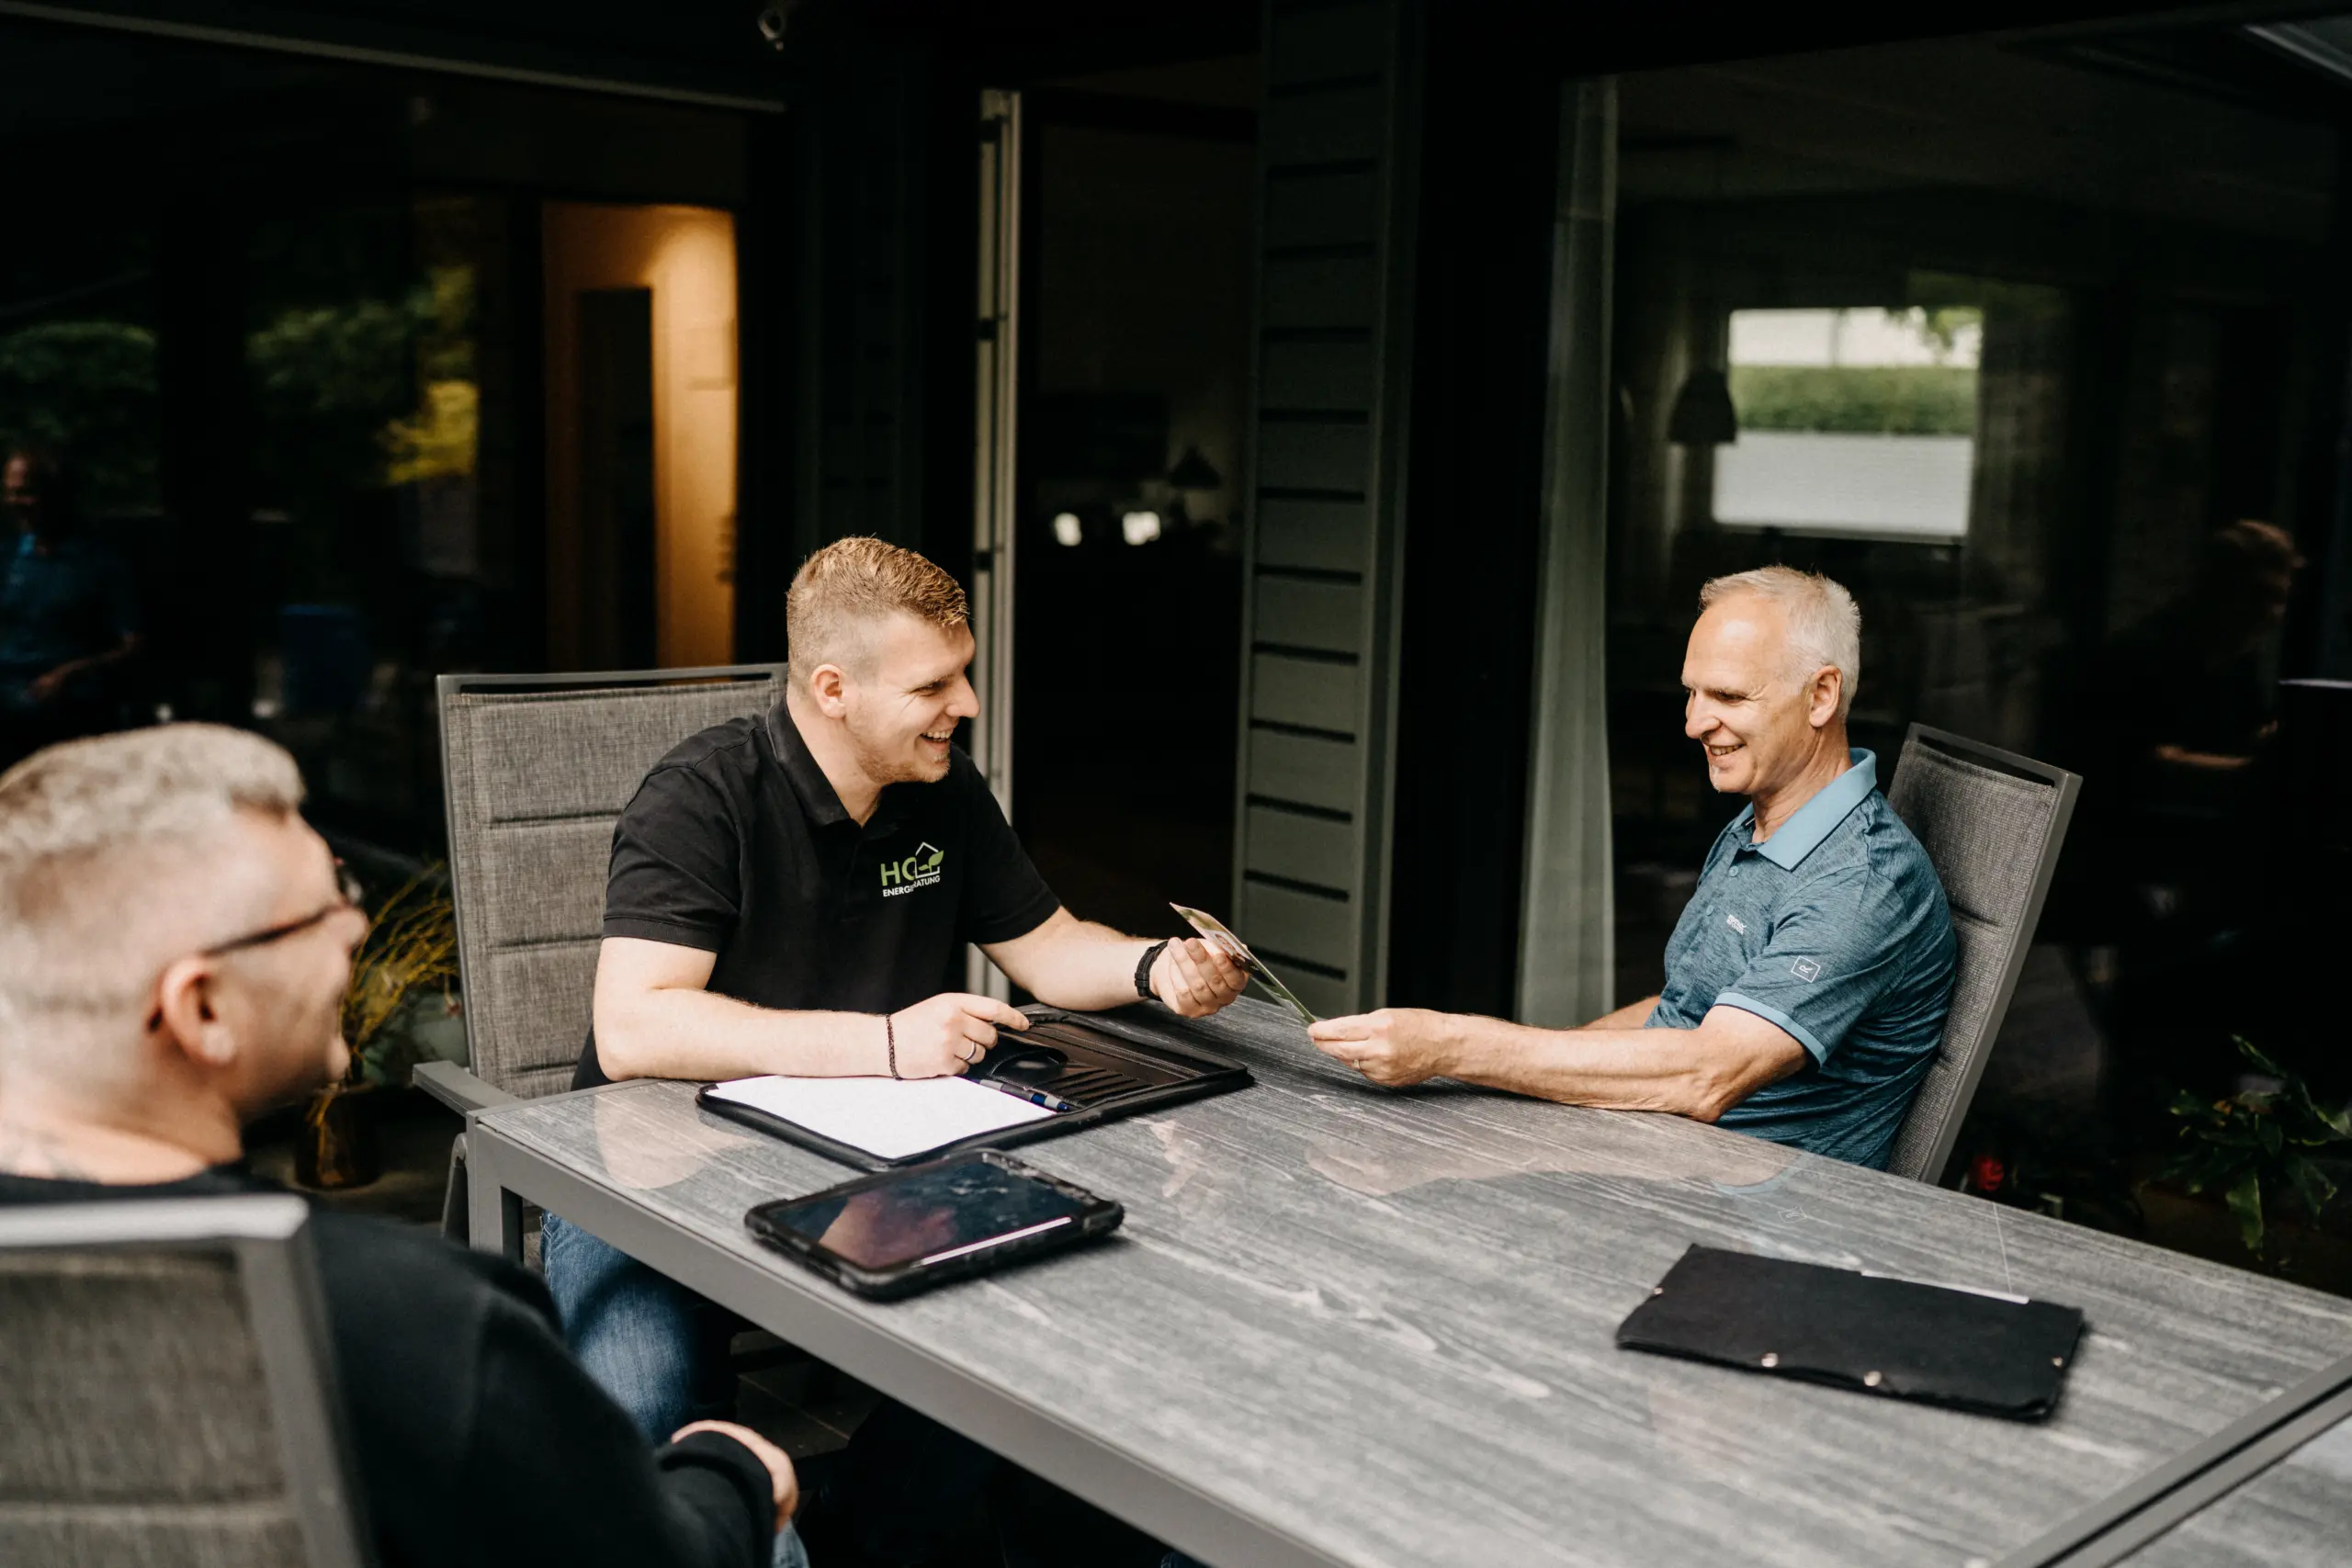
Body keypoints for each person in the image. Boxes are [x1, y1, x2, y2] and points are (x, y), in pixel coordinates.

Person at [543, 536, 1250, 1563]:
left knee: (1039, 1356)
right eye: (935, 684)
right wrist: (882, 1042)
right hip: (648, 1176)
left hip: (870, 1162)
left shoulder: (942, 790)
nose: (965, 704)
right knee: (654, 1447)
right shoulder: (701, 796)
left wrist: (1155, 969)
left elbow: (1048, 952)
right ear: (832, 689)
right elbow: (637, 1023)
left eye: (960, 673)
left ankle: (847, 1534)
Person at [0, 724, 808, 1568]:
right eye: (321, 908)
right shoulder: (417, 1323)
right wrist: (732, 1470)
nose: (356, 925)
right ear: (201, 1009)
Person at [1308, 566, 1957, 1172]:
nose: (1694, 722)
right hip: (1654, 1158)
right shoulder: (1763, 824)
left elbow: (1707, 1071)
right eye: (1693, 693)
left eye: (1728, 695)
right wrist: (1515, 1079)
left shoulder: (1862, 881)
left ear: (1821, 695)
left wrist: (1453, 1048)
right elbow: (1682, 1010)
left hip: (1743, 1223)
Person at [0, 446, 141, 769]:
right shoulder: (10, 557)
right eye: (9, 494)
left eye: (25, 494)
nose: (14, 504)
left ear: (55, 495)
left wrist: (69, 673)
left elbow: (133, 645)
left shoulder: (99, 562)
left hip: (61, 692)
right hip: (8, 681)